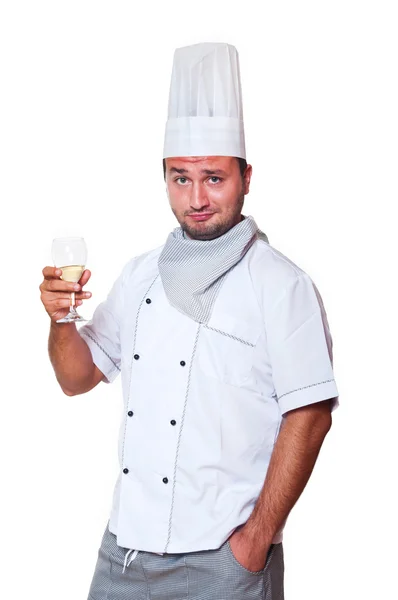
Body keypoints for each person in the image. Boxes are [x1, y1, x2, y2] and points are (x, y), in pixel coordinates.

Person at [40, 42, 339, 600]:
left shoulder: (281, 284)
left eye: (214, 178)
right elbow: (76, 379)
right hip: (124, 555)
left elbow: (311, 413)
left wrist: (257, 540)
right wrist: (61, 320)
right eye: (181, 178)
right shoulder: (141, 275)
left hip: (223, 562)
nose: (197, 198)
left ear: (247, 177)